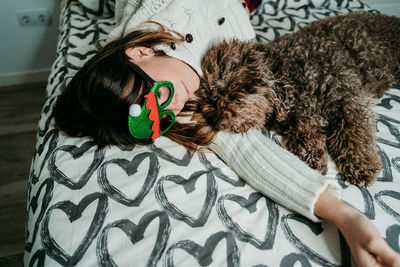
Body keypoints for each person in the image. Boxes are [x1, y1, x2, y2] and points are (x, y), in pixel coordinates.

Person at [52, 0, 400, 265]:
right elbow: (249, 153)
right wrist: (347, 218)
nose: (175, 106)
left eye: (161, 95)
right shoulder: (181, 111)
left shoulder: (154, 10)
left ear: (141, 52)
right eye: (162, 119)